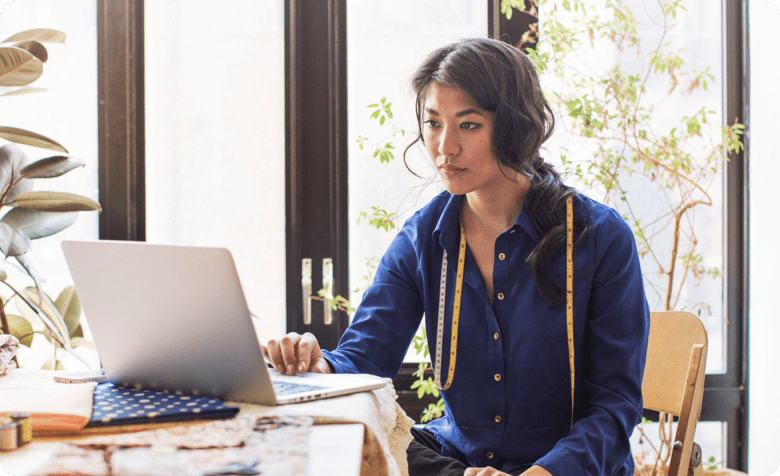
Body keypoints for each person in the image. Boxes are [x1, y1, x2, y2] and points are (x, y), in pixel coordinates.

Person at [264, 37, 650, 476]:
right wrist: (319, 362)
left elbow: (615, 406)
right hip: (458, 461)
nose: (444, 148)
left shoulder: (599, 237)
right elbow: (366, 356)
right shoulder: (422, 237)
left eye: (468, 125)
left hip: (566, 469)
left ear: (515, 126)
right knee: (362, 443)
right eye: (432, 124)